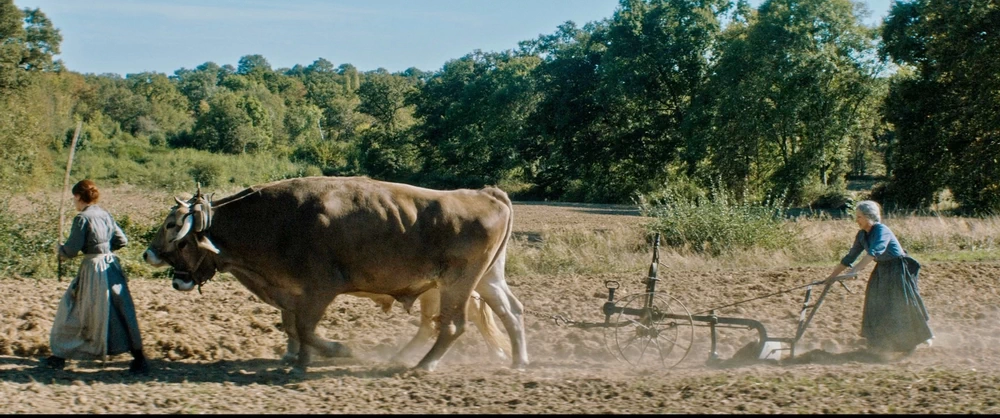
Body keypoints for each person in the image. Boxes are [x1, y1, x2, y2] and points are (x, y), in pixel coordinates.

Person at [44, 179, 150, 375]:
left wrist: (60, 250)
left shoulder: (82, 218)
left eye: (73, 198)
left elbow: (71, 250)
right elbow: (122, 240)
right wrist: (105, 249)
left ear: (78, 196)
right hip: (111, 266)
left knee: (75, 307)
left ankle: (60, 355)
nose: (73, 202)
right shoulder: (105, 214)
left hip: (92, 269)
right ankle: (139, 357)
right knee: (121, 310)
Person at [826, 200, 933, 357]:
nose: (857, 220)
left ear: (869, 216)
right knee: (874, 301)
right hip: (882, 268)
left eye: (859, 217)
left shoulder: (881, 230)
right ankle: (879, 341)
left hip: (897, 268)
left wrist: (855, 270)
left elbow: (875, 251)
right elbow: (850, 257)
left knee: (901, 303)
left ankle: (920, 337)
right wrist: (831, 277)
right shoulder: (862, 235)